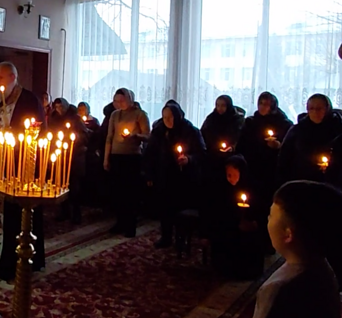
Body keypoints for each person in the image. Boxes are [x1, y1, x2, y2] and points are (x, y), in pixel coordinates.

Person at [0, 62, 46, 280]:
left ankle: (12, 262)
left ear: (12, 77)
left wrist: (14, 137)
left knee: (15, 216)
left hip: (19, 168)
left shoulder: (28, 101)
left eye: (0, 78)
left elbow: (35, 135)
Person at [251, 181, 342, 318]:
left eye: (271, 215)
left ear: (288, 234)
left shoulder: (277, 289)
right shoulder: (323, 266)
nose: (268, 219)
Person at [237, 92, 293, 252]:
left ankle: (269, 241)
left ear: (273, 106)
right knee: (251, 204)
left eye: (266, 104)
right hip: (252, 169)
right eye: (260, 103)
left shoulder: (283, 124)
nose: (262, 107)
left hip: (271, 171)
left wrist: (278, 147)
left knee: (269, 207)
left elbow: (289, 149)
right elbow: (242, 144)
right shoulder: (251, 122)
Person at [144, 102, 205, 248]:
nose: (168, 120)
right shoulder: (159, 131)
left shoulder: (190, 131)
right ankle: (166, 237)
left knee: (180, 209)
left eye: (170, 117)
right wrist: (149, 174)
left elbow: (201, 153)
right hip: (163, 175)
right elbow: (149, 154)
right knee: (164, 208)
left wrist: (188, 159)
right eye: (164, 117)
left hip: (184, 177)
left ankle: (181, 239)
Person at [206, 156, 264, 279]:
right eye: (228, 175)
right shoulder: (223, 187)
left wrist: (251, 221)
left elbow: (260, 209)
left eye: (234, 175)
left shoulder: (253, 187)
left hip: (248, 226)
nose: (230, 178)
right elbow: (217, 209)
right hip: (229, 225)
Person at [104, 88, 150, 237]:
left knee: (130, 193)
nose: (119, 104)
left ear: (130, 99)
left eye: (122, 100)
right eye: (116, 101)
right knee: (117, 192)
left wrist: (135, 136)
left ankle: (131, 225)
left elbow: (148, 136)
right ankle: (120, 222)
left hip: (132, 158)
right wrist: (106, 158)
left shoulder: (140, 114)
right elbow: (109, 137)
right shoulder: (114, 115)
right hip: (116, 156)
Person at [278, 94, 342, 184]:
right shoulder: (298, 129)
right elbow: (284, 158)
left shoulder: (339, 129)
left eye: (319, 109)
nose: (315, 112)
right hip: (301, 181)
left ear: (327, 109)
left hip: (332, 184)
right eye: (311, 108)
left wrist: (331, 167)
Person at [50, 98, 88, 223]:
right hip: (60, 156)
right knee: (60, 185)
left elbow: (84, 135)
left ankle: (76, 213)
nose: (59, 110)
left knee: (74, 186)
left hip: (74, 156)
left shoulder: (75, 119)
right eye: (57, 107)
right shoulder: (54, 119)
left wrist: (72, 139)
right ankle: (64, 211)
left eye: (61, 107)